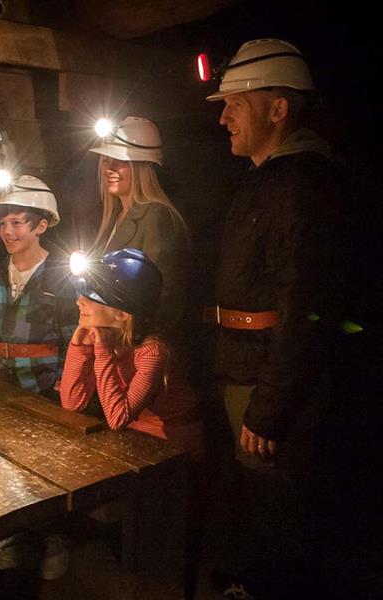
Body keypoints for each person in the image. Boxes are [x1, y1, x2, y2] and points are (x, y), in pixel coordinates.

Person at [202, 38, 341, 599]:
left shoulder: (302, 183)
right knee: (254, 505)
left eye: (237, 100)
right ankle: (249, 582)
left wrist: (270, 406)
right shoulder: (267, 177)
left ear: (279, 109)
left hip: (265, 375)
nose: (224, 115)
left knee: (276, 510)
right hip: (243, 366)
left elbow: (303, 304)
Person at [60, 248, 203, 460]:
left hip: (174, 445)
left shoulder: (153, 351)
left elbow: (117, 418)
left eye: (91, 297)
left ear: (122, 314)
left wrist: (102, 353)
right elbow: (72, 403)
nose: (79, 302)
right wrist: (78, 349)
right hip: (134, 435)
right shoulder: (104, 339)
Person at [0, 174, 77, 401]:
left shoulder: (60, 276)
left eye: (16, 223)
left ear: (41, 226)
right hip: (2, 385)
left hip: (48, 388)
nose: (7, 231)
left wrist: (62, 382)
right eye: (2, 223)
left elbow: (75, 339)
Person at [88, 116, 190, 342]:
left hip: (136, 352)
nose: (109, 168)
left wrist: (141, 351)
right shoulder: (113, 219)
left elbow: (165, 297)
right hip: (111, 348)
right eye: (106, 159)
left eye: (120, 161)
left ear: (142, 166)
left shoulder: (157, 216)